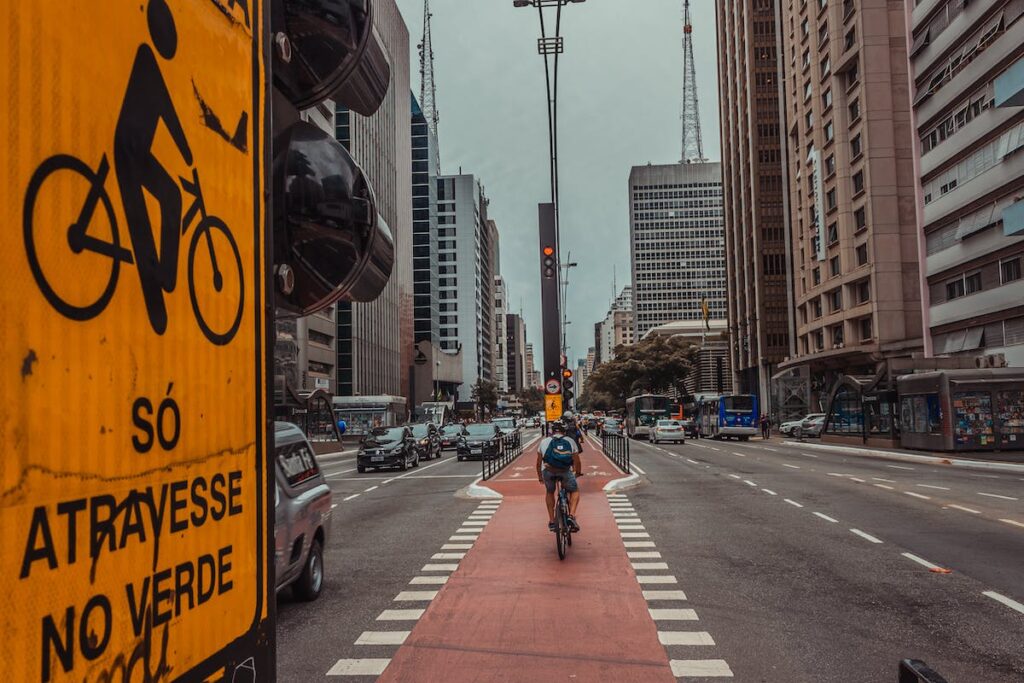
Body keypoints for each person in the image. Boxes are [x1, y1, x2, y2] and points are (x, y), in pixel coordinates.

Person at [537, 420, 582, 533]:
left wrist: (540, 477)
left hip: (548, 471)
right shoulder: (570, 441)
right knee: (575, 490)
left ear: (552, 431)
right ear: (564, 430)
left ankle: (552, 521)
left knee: (550, 492)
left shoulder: (544, 442)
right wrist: (577, 473)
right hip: (565, 471)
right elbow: (577, 461)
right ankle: (571, 516)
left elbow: (538, 463)